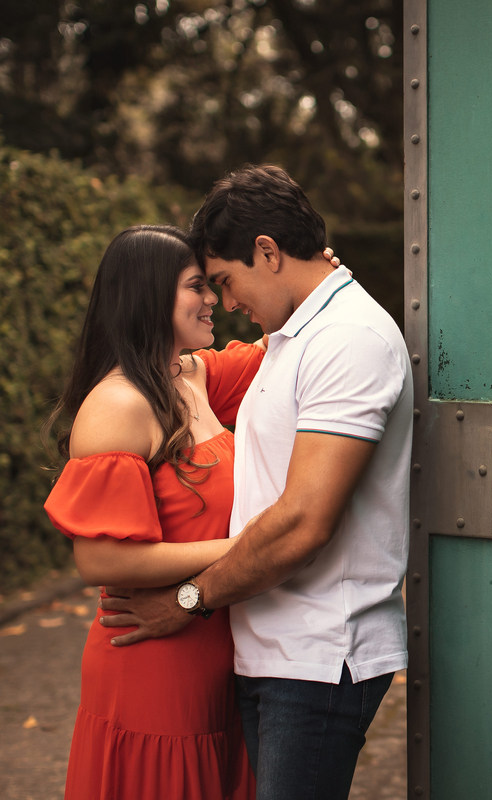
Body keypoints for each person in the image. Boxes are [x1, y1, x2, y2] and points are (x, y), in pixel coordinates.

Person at [98, 165, 414, 800]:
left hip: (322, 656)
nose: (227, 301)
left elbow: (303, 523)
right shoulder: (291, 338)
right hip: (275, 650)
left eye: (225, 280)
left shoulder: (346, 338)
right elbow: (169, 365)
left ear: (267, 252)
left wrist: (185, 600)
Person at [43, 225, 262, 799]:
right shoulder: (118, 405)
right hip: (153, 662)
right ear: (149, 296)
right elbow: (99, 558)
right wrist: (251, 548)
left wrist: (317, 269)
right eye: (197, 286)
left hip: (218, 649)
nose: (214, 297)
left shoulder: (195, 376)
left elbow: (289, 346)